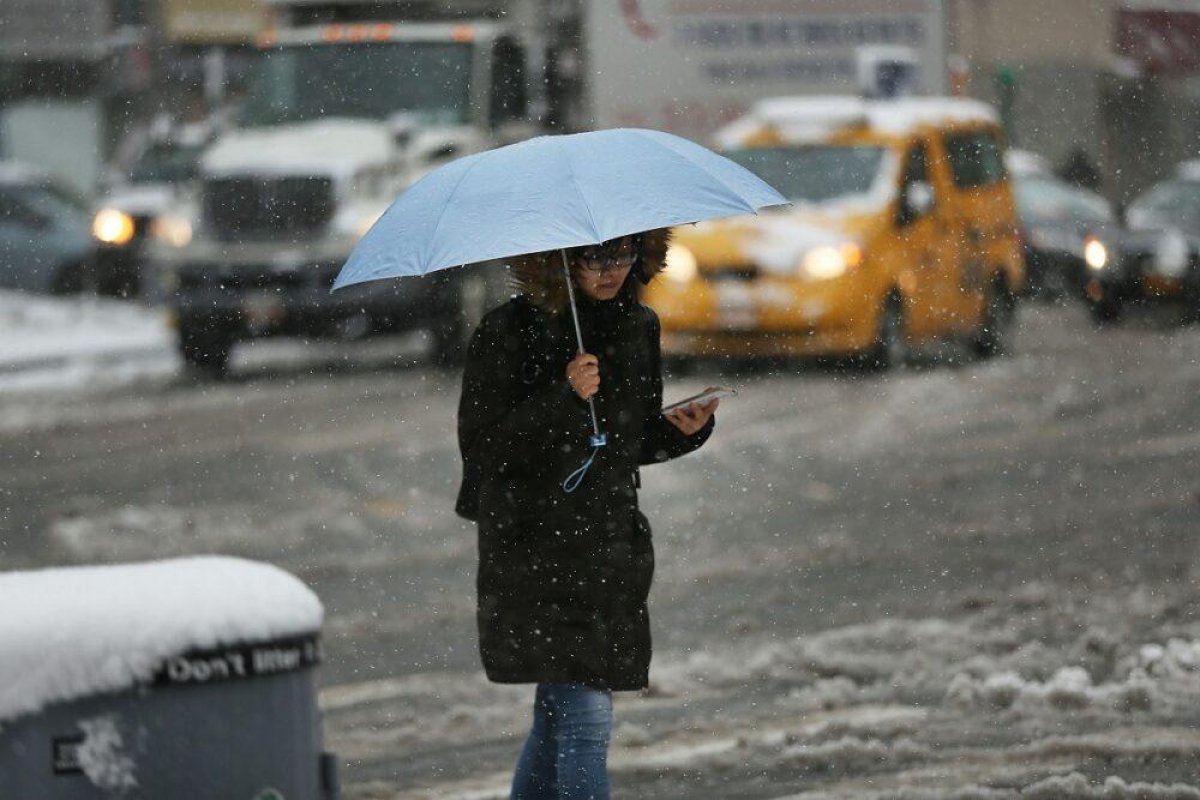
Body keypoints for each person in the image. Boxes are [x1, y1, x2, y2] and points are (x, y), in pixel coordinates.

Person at [455, 230, 718, 799]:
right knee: (586, 719)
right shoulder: (505, 332)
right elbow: (483, 451)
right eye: (594, 258)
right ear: (558, 260)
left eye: (623, 255)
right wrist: (563, 395)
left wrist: (683, 432)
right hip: (534, 550)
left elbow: (626, 442)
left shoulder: (637, 326)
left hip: (608, 546)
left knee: (558, 715)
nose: (610, 270)